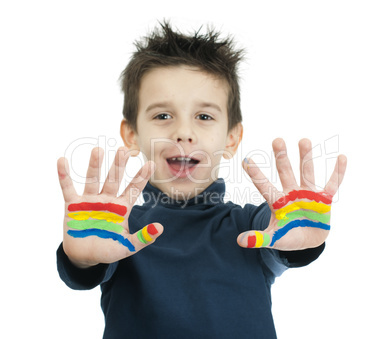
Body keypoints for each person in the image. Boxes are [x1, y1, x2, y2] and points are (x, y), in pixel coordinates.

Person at [56, 20, 347, 339]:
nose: (184, 132)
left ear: (232, 139)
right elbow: (92, 259)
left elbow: (277, 228)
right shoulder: (119, 228)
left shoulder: (249, 225)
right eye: (162, 116)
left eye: (204, 116)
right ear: (132, 135)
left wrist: (297, 234)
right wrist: (83, 260)